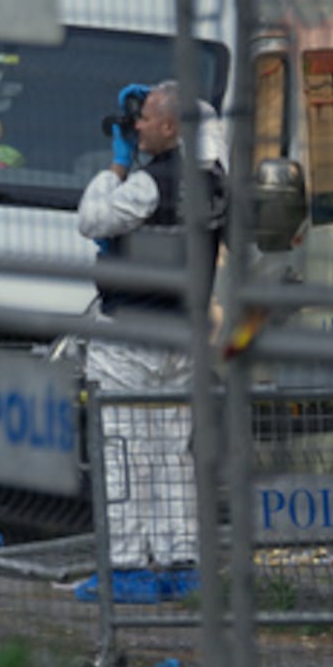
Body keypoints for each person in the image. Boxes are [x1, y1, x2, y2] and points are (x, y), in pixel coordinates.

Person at [77, 80, 227, 574]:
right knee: (172, 452)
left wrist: (117, 164)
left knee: (123, 451)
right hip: (182, 335)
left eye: (145, 118)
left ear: (169, 127)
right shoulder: (213, 183)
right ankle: (181, 558)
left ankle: (125, 566)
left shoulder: (148, 183)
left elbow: (92, 221)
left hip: (130, 339)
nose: (136, 125)